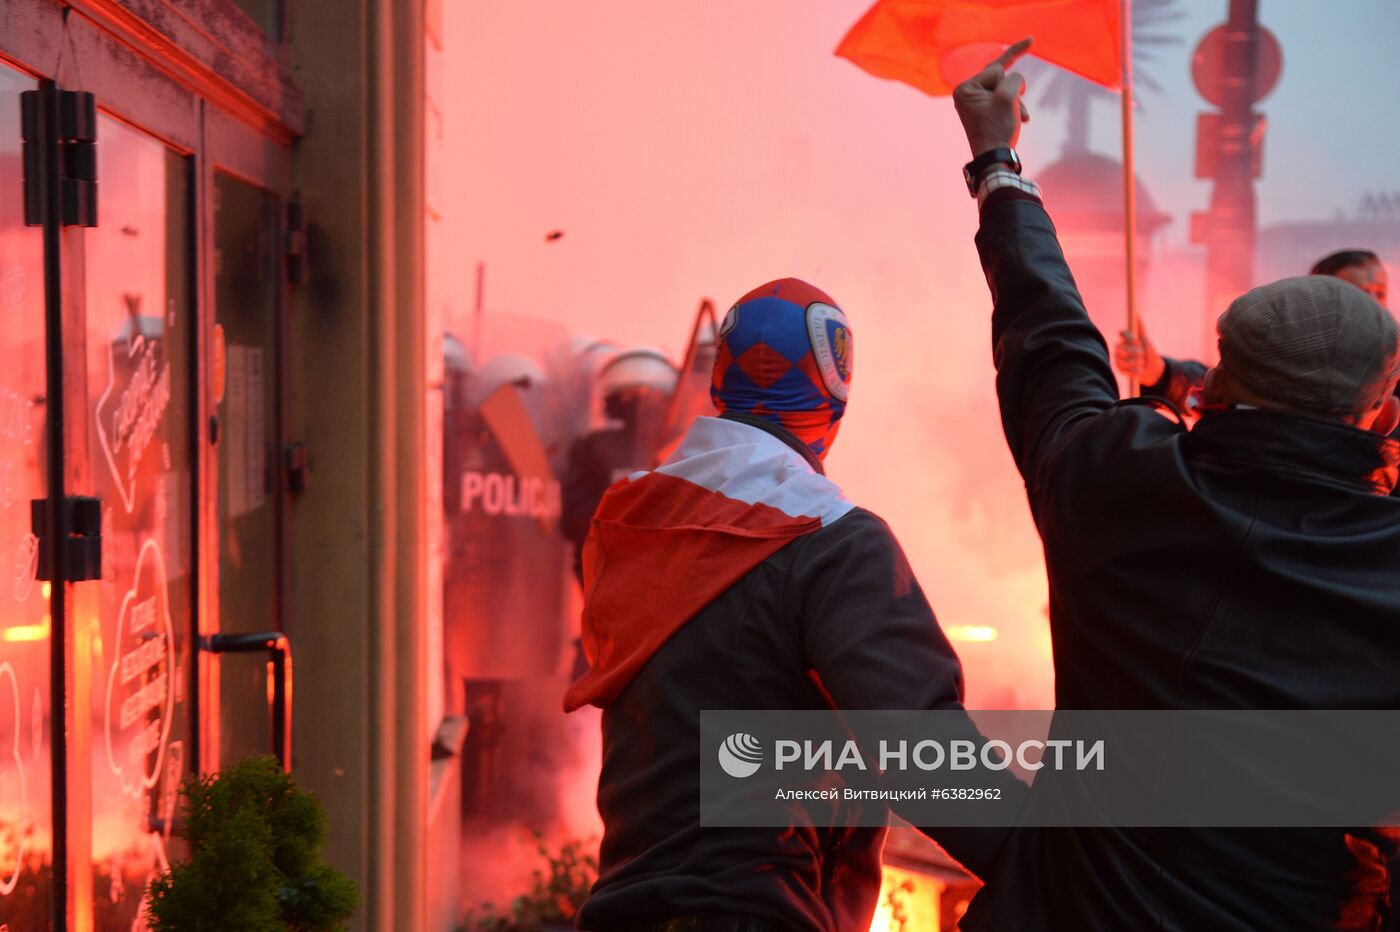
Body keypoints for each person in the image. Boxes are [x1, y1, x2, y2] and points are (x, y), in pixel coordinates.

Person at [952, 40, 1400, 931]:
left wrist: (998, 166)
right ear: (1379, 415)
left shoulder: (1116, 478)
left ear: (1217, 383)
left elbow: (1050, 343)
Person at [564, 278, 1025, 931]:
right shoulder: (833, 542)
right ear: (833, 400)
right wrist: (1058, 863)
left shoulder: (624, 526)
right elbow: (923, 752)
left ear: (719, 385)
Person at [1114, 249, 1393, 428]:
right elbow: (1236, 380)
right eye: (1357, 293)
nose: (1371, 304)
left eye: (1379, 292)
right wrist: (1159, 373)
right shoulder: (1289, 357)